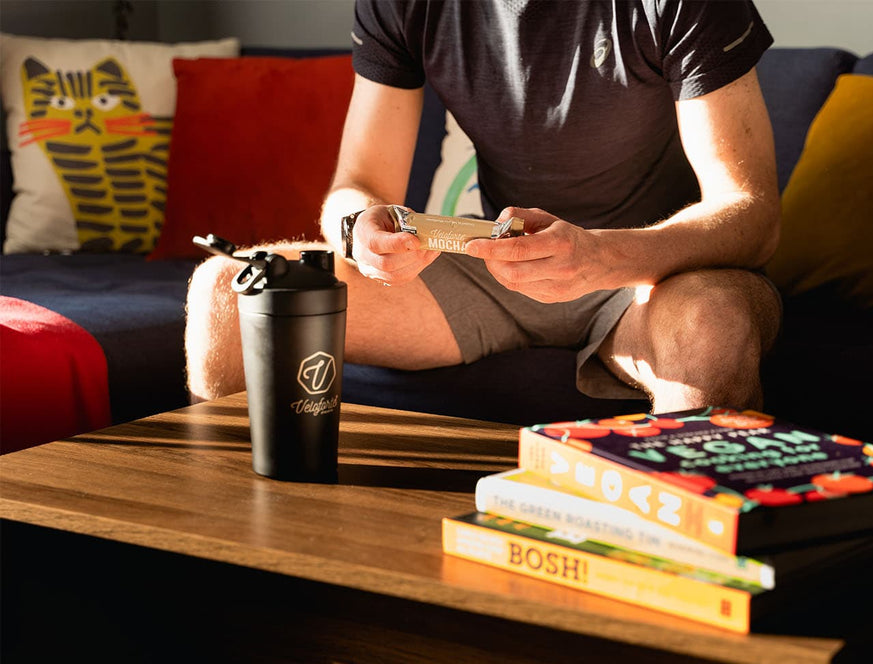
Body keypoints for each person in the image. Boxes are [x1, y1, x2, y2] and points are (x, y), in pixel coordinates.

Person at [185, 0, 782, 414]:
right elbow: (359, 184)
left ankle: (681, 581)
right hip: (496, 263)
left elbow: (751, 213)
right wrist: (358, 231)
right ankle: (229, 568)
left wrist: (601, 256)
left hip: (652, 277)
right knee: (228, 292)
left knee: (712, 327)